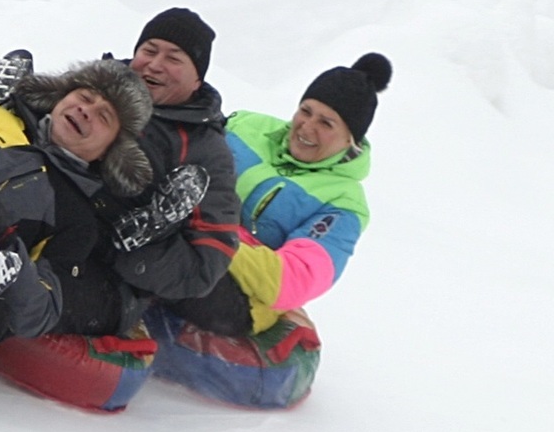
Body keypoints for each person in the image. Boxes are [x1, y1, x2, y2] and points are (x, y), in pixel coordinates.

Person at [0, 58, 173, 340]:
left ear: (110, 149)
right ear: (60, 95)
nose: (86, 110)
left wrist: (1, 241)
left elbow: (41, 312)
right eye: (84, 96)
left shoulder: (75, 216)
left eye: (104, 117)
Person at [165, 53, 391, 336]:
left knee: (173, 265)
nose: (307, 128)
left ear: (351, 140)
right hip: (178, 235)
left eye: (326, 123)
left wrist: (208, 242)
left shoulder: (343, 204)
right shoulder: (246, 126)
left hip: (236, 291)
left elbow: (293, 277)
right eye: (306, 111)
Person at [116, 8, 242, 308]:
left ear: (197, 80)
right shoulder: (93, 89)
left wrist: (126, 249)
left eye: (173, 59)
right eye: (149, 51)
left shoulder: (205, 151)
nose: (155, 65)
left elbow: (206, 262)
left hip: (110, 274)